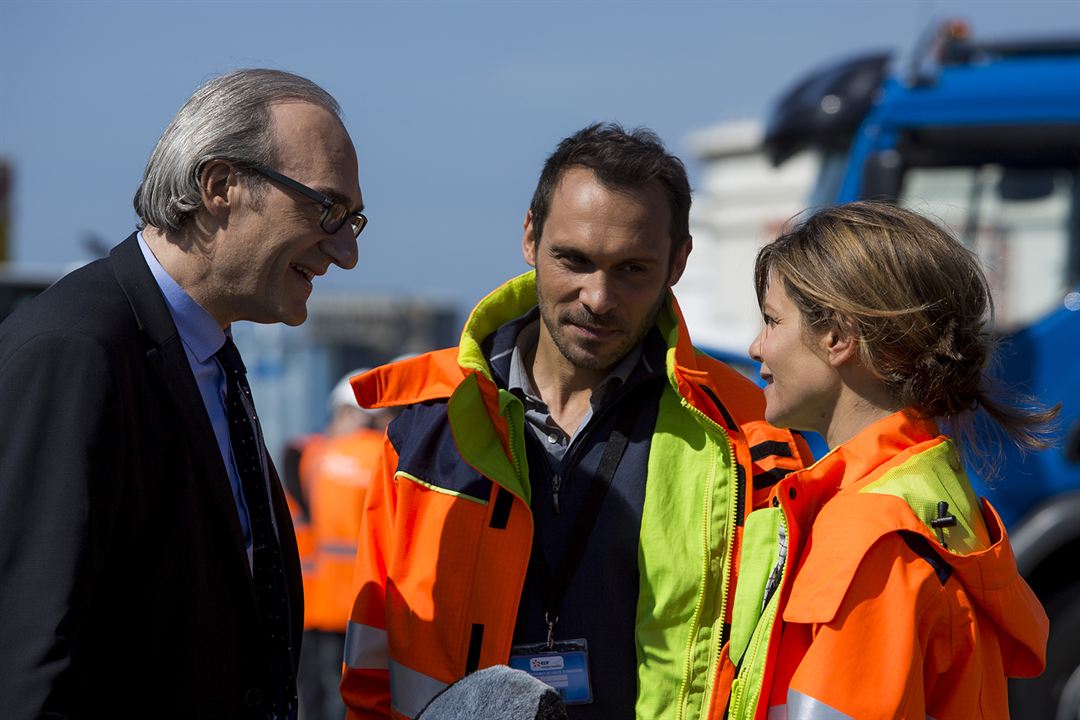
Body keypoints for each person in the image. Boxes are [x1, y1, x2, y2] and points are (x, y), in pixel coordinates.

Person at [340, 123, 812, 719]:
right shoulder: (425, 425)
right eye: (575, 260)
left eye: (632, 269)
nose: (598, 297)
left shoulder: (750, 439)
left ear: (678, 262)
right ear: (530, 237)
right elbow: (371, 669)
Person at [0, 69, 365, 719]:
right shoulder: (79, 354)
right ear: (221, 186)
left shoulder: (208, 356)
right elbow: (28, 660)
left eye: (354, 220)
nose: (345, 252)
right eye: (328, 210)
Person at [721, 201, 1052, 719]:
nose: (756, 346)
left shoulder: (867, 531)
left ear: (837, 337)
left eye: (771, 320)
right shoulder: (931, 491)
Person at [299, 370, 394, 720]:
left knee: (319, 697)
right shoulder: (389, 457)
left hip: (321, 604)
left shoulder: (317, 457)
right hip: (371, 607)